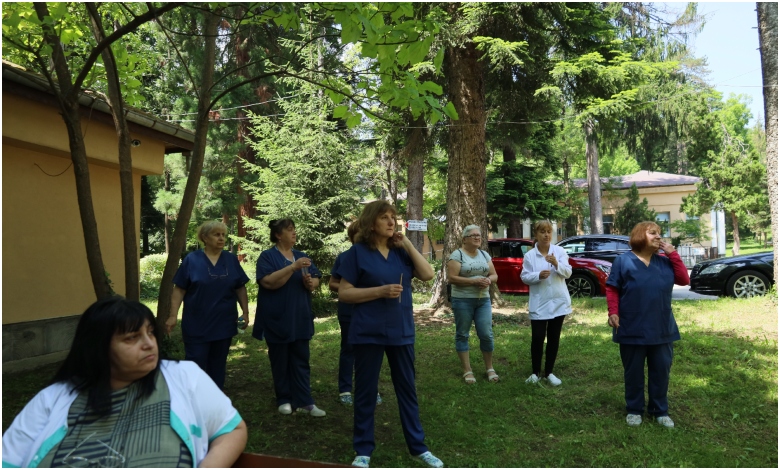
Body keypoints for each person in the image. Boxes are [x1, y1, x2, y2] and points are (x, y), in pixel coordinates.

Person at [2, 297, 247, 468]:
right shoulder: (52, 399)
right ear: (98, 347)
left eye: (150, 332)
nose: (149, 343)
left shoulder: (183, 377)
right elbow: (8, 460)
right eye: (132, 337)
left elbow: (232, 430)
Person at [336, 200, 443, 469]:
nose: (391, 221)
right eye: (384, 217)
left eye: (393, 217)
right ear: (371, 223)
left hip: (401, 331)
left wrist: (406, 243)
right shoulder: (356, 254)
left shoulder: (400, 252)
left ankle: (418, 447)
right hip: (368, 332)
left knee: (407, 389)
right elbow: (344, 292)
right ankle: (363, 450)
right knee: (365, 392)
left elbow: (429, 273)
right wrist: (380, 291)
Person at [606, 221, 689, 428]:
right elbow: (613, 288)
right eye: (653, 233)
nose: (658, 237)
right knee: (633, 372)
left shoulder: (664, 261)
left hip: (661, 326)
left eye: (660, 234)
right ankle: (634, 409)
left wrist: (673, 254)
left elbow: (683, 279)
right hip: (631, 325)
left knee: (661, 371)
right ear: (639, 236)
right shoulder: (623, 261)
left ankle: (659, 410)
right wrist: (613, 312)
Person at [251, 218, 325, 417]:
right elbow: (267, 282)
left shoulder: (302, 256)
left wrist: (311, 283)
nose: (294, 233)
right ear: (278, 234)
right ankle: (284, 398)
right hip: (277, 318)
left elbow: (316, 279)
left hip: (300, 317)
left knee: (301, 359)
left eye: (294, 229)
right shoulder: (267, 257)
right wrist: (292, 268)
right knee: (280, 359)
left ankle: (305, 401)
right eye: (289, 230)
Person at [167, 221, 250, 391]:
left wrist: (246, 312)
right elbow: (179, 290)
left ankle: (215, 402)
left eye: (223, 235)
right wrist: (173, 315)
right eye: (216, 234)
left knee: (218, 366)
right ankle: (192, 402)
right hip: (197, 324)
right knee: (194, 364)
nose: (221, 238)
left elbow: (240, 288)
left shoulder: (231, 260)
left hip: (224, 323)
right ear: (204, 238)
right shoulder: (192, 260)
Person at [329, 221, 382, 406]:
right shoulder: (345, 257)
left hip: (372, 311)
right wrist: (352, 288)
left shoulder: (377, 256)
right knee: (349, 349)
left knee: (371, 351)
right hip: (349, 311)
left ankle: (371, 389)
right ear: (353, 236)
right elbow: (333, 283)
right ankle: (345, 389)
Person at [520, 220, 572, 386]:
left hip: (558, 301)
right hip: (539, 302)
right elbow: (524, 277)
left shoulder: (560, 251)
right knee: (537, 337)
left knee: (554, 338)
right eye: (542, 232)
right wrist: (537, 276)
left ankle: (549, 372)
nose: (546, 235)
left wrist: (556, 264)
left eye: (549, 232)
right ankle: (535, 373)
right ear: (536, 235)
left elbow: (568, 273)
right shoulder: (529, 256)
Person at [446, 224, 499, 384]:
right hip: (462, 300)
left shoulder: (484, 255)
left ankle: (489, 368)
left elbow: (494, 274)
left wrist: (488, 280)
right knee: (462, 334)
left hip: (483, 300)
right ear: (464, 239)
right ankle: (467, 370)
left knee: (486, 334)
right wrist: (474, 281)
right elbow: (452, 278)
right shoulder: (457, 255)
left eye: (479, 235)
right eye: (473, 235)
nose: (477, 238)